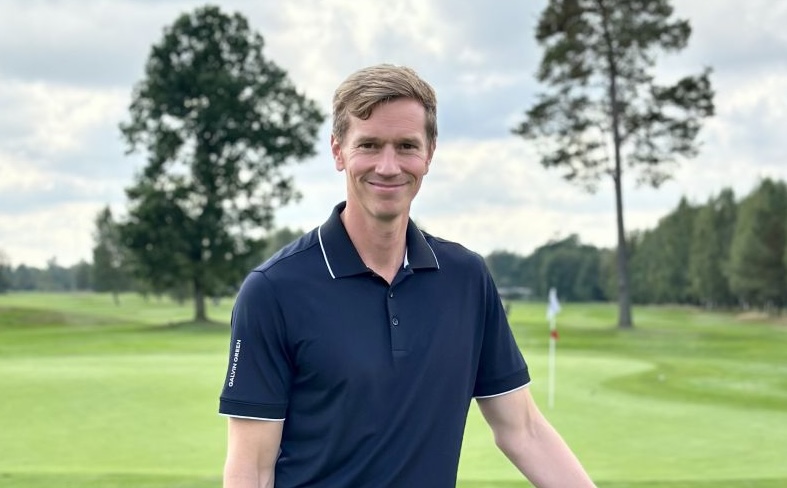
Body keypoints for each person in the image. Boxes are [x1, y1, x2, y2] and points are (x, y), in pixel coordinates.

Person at [219, 64, 596, 488]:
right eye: (369, 145)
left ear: (429, 153)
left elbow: (523, 430)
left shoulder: (466, 279)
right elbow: (251, 470)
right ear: (338, 151)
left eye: (406, 146)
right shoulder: (273, 290)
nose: (388, 166)